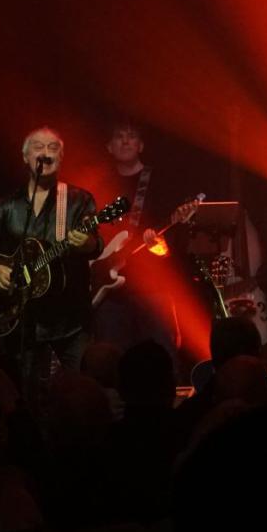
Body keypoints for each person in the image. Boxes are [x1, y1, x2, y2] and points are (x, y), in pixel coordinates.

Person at [0, 127, 102, 400]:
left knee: (81, 393)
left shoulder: (77, 200)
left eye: (53, 148)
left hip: (70, 320)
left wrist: (85, 243)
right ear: (26, 157)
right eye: (39, 147)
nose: (46, 153)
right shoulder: (6, 206)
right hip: (23, 319)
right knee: (27, 399)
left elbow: (96, 245)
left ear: (61, 158)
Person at [91, 122, 189, 361]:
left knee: (160, 359)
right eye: (119, 136)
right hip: (108, 292)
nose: (125, 141)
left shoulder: (160, 183)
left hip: (151, 290)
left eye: (131, 136)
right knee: (110, 363)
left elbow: (171, 246)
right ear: (109, 147)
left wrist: (161, 246)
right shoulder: (97, 185)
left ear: (141, 146)